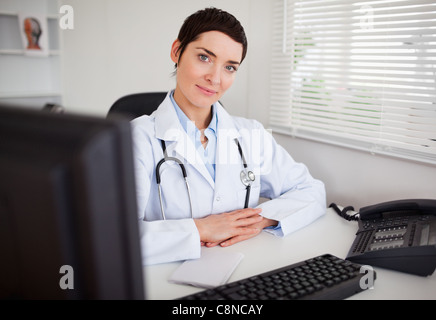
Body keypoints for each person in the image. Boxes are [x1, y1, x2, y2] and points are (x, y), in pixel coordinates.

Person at [131, 7, 326, 265]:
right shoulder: (135, 139)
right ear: (177, 51)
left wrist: (259, 220)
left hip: (244, 268)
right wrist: (201, 229)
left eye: (230, 67)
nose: (215, 78)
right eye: (204, 57)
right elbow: (111, 238)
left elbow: (311, 190)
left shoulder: (250, 134)